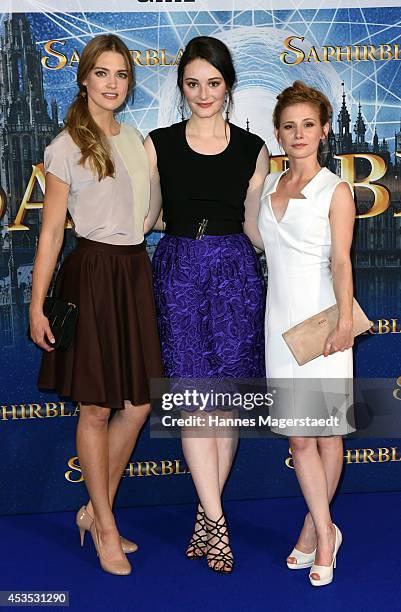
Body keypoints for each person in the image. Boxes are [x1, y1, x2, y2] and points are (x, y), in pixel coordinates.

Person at [29, 34, 162, 576]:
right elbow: (50, 237)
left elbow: (149, 217)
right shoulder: (64, 146)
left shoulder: (139, 141)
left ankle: (92, 508)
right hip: (91, 276)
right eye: (103, 73)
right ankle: (105, 527)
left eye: (122, 75)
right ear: (84, 78)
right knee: (96, 407)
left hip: (133, 273)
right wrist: (37, 306)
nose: (112, 84)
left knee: (138, 404)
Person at [144, 36, 269, 573]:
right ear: (181, 86)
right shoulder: (158, 143)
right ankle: (217, 523)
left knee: (228, 403)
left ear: (228, 85)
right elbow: (148, 218)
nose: (203, 93)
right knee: (194, 397)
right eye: (193, 84)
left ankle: (206, 515)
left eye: (213, 83)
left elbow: (254, 227)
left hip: (237, 273)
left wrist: (314, 253)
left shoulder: (253, 148)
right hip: (177, 271)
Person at [257, 81, 355, 586]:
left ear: (323, 130)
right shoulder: (269, 190)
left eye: (308, 125)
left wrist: (342, 322)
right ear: (278, 133)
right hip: (279, 327)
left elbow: (341, 261)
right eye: (289, 126)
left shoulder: (334, 190)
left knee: (327, 434)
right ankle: (323, 529)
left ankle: (319, 535)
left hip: (322, 324)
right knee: (300, 441)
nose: (298, 134)